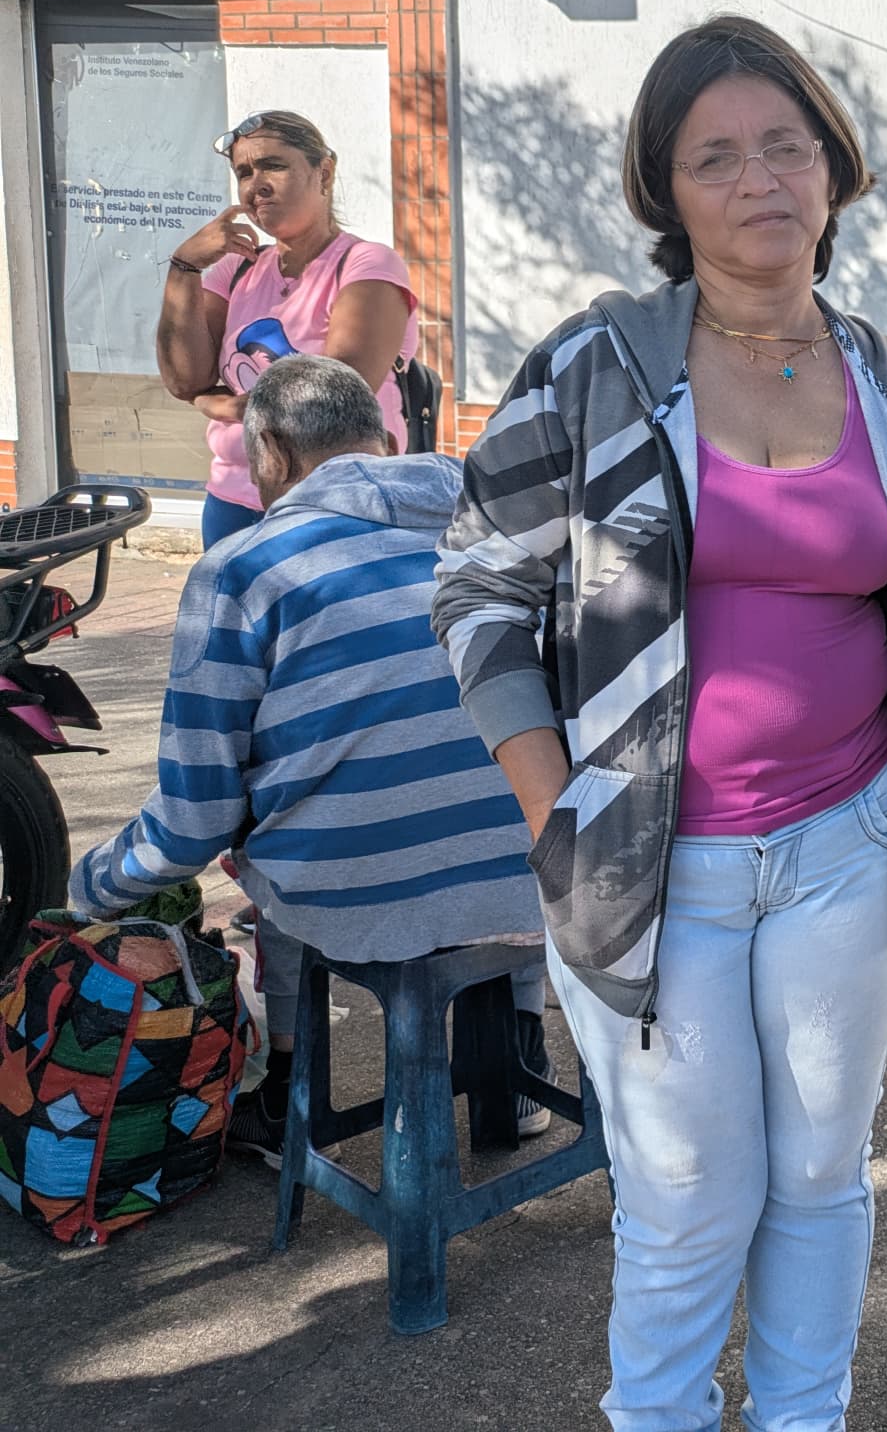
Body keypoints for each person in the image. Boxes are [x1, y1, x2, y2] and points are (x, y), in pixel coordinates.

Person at [433, 14, 887, 1432]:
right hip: (642, 862)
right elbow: (480, 584)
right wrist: (550, 806)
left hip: (849, 844)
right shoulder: (596, 369)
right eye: (716, 155)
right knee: (687, 1190)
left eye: (787, 145)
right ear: (666, 194)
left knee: (819, 1177)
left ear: (834, 170)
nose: (760, 180)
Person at [69, 355, 549, 1165]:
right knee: (472, 784)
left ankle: (292, 1087)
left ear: (270, 456)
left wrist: (92, 890)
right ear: (387, 438)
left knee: (268, 848)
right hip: (544, 876)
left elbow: (196, 818)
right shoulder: (504, 529)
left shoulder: (245, 568)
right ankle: (518, 1052)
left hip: (360, 898)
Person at [157, 110, 421, 549]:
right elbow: (183, 379)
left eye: (273, 165)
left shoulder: (366, 265)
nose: (255, 183)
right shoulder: (237, 270)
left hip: (335, 502)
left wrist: (217, 404)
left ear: (325, 171)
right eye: (243, 172)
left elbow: (332, 397)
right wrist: (184, 267)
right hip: (234, 500)